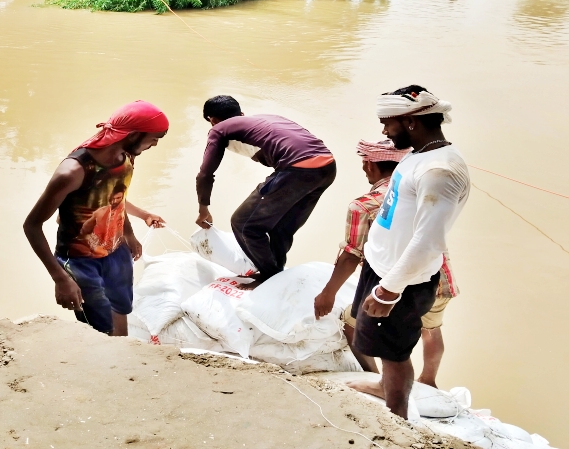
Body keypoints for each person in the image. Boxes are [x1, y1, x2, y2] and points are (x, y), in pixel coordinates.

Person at [347, 86, 469, 418]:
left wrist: (388, 290)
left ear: (411, 121)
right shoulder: (420, 154)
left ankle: (396, 417)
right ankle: (384, 386)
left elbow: (429, 240)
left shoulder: (440, 172)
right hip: (381, 268)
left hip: (400, 282)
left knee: (396, 353)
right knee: (381, 347)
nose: (384, 131)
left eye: (388, 123)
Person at [314, 139, 459, 387]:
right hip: (438, 277)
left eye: (364, 163)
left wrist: (328, 293)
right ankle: (429, 381)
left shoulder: (364, 205)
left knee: (353, 323)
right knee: (430, 329)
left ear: (370, 165)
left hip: (392, 285)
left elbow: (351, 254)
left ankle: (377, 379)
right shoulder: (420, 191)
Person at [22, 101, 169, 335]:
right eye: (154, 137)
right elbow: (32, 226)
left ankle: (121, 358)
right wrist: (60, 278)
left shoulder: (127, 157)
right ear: (132, 135)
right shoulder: (73, 172)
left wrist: (130, 232)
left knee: (121, 311)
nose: (156, 143)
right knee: (100, 326)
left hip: (116, 252)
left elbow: (114, 198)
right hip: (81, 261)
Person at [194, 95, 336, 281]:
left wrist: (203, 209)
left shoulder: (218, 129)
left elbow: (205, 174)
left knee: (244, 223)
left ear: (212, 120)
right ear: (241, 113)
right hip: (326, 166)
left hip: (297, 170)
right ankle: (277, 274)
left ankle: (269, 278)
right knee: (281, 227)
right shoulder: (266, 118)